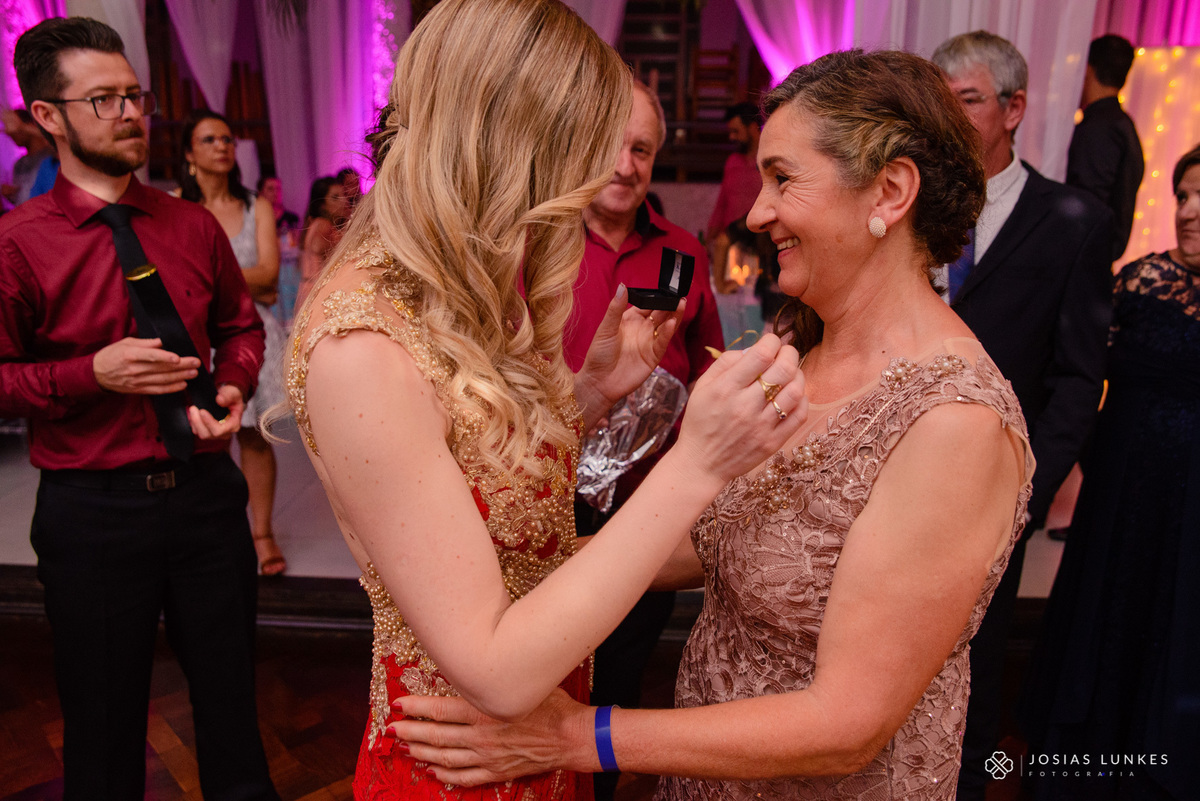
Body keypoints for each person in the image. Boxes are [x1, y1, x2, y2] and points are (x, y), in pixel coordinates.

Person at [389, 48, 1034, 800]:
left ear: (889, 190)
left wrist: (579, 735)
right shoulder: (796, 355)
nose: (756, 212)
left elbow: (848, 721)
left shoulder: (954, 421)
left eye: (783, 178)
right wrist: (513, 564)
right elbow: (729, 532)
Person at [282, 1, 805, 798]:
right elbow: (493, 666)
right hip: (454, 763)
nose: (593, 180)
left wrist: (590, 391)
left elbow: (481, 472)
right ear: (503, 140)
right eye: (577, 151)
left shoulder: (465, 282)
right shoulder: (362, 344)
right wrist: (695, 463)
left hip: (538, 738)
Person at [0, 17, 276, 800]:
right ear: (48, 116)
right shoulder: (17, 244)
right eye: (104, 100)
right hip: (92, 514)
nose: (131, 114)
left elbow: (239, 327)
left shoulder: (190, 224)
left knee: (231, 705)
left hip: (207, 503)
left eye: (135, 96)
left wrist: (234, 383)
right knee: (102, 721)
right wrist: (91, 372)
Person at [929, 31, 1115, 800]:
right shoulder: (910, 202)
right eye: (939, 101)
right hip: (888, 476)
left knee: (971, 681)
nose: (948, 116)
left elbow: (1077, 376)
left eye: (965, 100)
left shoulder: (1072, 219)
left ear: (1013, 108)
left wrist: (1024, 494)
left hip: (992, 493)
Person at [1021, 144, 1200, 801]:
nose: (1187, 210)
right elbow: (1070, 368)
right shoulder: (1140, 281)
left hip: (1195, 513)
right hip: (1123, 500)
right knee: (1110, 623)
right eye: (1181, 194)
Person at [564, 78, 724, 801]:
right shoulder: (535, 243)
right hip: (549, 495)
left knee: (621, 673)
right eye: (610, 146)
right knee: (550, 665)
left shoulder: (684, 252)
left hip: (645, 506)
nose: (625, 165)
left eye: (641, 150)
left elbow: (707, 359)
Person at [180, 109, 287, 575]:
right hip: (194, 336)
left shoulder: (254, 205)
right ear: (189, 154)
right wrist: (243, 284)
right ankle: (217, 537)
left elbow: (270, 276)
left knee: (254, 439)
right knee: (206, 439)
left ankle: (262, 534)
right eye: (208, 140)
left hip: (253, 334)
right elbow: (170, 281)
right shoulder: (175, 209)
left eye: (226, 138)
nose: (222, 146)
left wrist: (205, 281)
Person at [1068, 34, 1144, 261]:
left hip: (1086, 257)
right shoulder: (1122, 124)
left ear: (1088, 71)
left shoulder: (1100, 128)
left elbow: (1086, 203)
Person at [707, 102, 763, 295]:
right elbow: (722, 204)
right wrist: (709, 239)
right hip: (734, 239)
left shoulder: (768, 161)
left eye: (736, 131)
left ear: (753, 128)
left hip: (760, 236)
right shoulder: (733, 162)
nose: (731, 137)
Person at [295, 175, 347, 307]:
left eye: (343, 195)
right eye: (335, 197)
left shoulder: (315, 223)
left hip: (310, 288)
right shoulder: (324, 226)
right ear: (322, 205)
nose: (344, 201)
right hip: (318, 290)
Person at [2, 107, 54, 206]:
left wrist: (23, 127)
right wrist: (11, 195)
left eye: (14, 127)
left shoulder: (51, 154)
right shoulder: (19, 164)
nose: (11, 134)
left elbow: (61, 144)